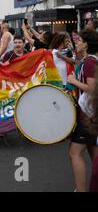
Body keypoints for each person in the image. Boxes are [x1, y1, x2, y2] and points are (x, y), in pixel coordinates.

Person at [66, 29, 98, 192]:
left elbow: (92, 89)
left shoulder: (90, 62)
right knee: (95, 154)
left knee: (74, 152)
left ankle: (81, 189)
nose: (76, 43)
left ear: (86, 44)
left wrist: (73, 80)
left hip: (88, 115)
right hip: (92, 114)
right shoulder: (90, 61)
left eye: (79, 41)